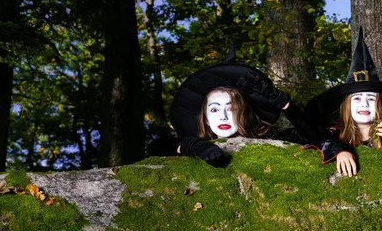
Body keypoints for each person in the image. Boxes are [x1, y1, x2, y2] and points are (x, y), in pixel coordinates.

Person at [146, 47, 354, 169]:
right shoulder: (197, 141)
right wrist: (193, 146)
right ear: (206, 117)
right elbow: (155, 147)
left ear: (243, 112)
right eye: (215, 109)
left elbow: (311, 135)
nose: (224, 116)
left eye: (232, 108)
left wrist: (285, 104)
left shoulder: (269, 138)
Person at [305, 27, 382, 166]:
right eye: (357, 98)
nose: (364, 104)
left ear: (380, 106)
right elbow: (316, 139)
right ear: (346, 106)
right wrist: (339, 151)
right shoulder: (334, 133)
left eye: (371, 99)